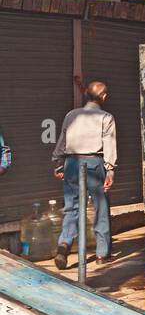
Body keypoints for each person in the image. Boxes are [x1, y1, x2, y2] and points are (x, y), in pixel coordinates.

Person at [52, 81, 117, 269]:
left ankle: (64, 244)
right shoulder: (106, 117)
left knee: (71, 207)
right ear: (103, 97)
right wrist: (110, 169)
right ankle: (102, 254)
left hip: (71, 163)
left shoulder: (71, 115)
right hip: (94, 164)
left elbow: (62, 142)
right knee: (101, 208)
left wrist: (58, 165)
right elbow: (109, 145)